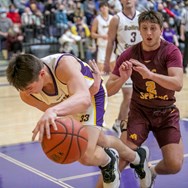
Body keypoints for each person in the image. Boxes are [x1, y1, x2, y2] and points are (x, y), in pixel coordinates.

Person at [6, 53, 151, 188]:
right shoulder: (26, 95)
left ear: (42, 74)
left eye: (30, 88)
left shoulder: (63, 65)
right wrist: (54, 112)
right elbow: (55, 108)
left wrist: (54, 111)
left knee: (85, 154)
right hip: (73, 101)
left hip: (93, 96)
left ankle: (108, 161)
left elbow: (84, 100)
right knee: (102, 141)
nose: (27, 92)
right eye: (24, 89)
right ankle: (138, 158)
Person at [106, 10, 184, 188]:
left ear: (161, 30)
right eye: (145, 28)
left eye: (153, 28)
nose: (149, 33)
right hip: (139, 111)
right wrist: (122, 79)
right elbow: (108, 90)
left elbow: (178, 83)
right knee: (121, 159)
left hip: (166, 112)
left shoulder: (171, 51)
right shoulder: (129, 54)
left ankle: (150, 172)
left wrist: (149, 75)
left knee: (174, 164)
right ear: (139, 30)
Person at [104, 0, 142, 136]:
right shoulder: (116, 19)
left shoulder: (142, 17)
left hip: (139, 62)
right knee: (129, 95)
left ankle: (121, 122)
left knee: (137, 96)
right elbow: (110, 42)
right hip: (123, 63)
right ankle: (120, 122)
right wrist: (107, 61)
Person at [91, 1, 116, 74]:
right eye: (102, 7)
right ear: (100, 9)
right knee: (100, 70)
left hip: (111, 46)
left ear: (108, 8)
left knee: (113, 69)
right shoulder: (97, 19)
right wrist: (101, 36)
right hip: (102, 46)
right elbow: (92, 34)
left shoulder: (113, 18)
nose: (104, 8)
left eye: (105, 6)